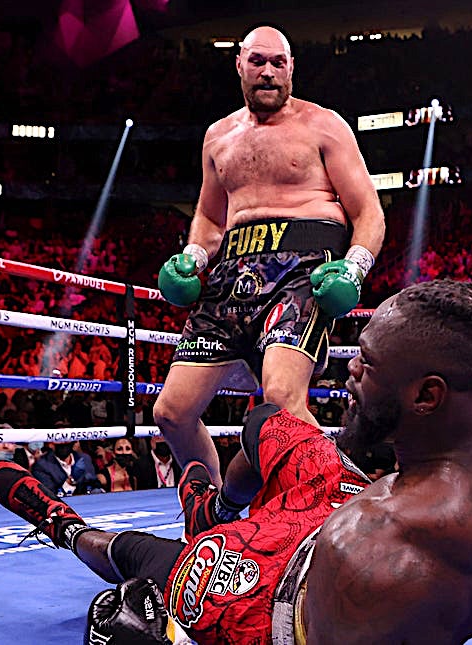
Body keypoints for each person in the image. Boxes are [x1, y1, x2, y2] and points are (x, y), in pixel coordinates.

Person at [0, 280, 472, 644]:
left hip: (266, 593)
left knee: (138, 556)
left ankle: (65, 523)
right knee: (269, 419)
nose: (348, 371)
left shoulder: (373, 555)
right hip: (342, 496)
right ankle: (217, 505)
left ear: (426, 395)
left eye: (367, 364)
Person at [152, 24, 386, 488]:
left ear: (291, 68)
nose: (268, 72)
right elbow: (210, 217)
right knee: (171, 412)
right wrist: (193, 257)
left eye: (278, 62)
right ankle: (212, 512)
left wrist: (354, 268)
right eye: (257, 61)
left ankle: (341, 500)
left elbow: (369, 212)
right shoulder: (218, 136)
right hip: (231, 276)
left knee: (280, 398)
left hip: (301, 271)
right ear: (239, 64)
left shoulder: (323, 124)